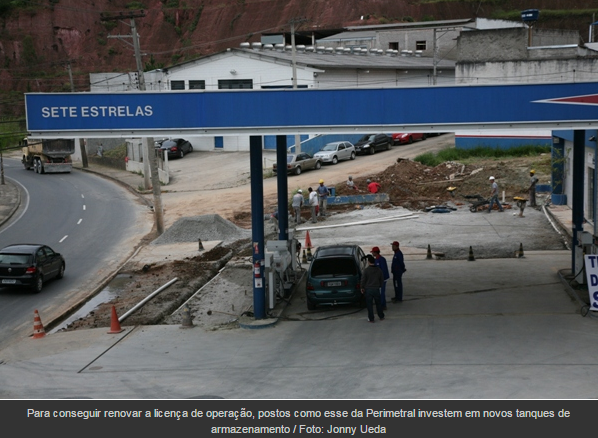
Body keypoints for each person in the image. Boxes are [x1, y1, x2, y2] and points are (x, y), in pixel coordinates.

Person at [361, 255, 385, 323]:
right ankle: (381, 316)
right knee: (378, 304)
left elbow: (363, 280)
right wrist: (379, 286)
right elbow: (382, 279)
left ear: (368, 262)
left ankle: (371, 318)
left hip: (368, 290)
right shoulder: (379, 270)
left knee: (369, 305)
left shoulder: (366, 271)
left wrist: (362, 287)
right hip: (376, 289)